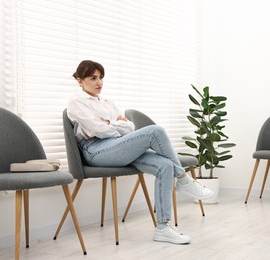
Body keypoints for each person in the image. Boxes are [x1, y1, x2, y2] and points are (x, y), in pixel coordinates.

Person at [67, 60, 213, 244]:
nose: (99, 82)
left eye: (101, 77)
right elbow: (98, 131)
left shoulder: (108, 102)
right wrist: (116, 124)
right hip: (96, 151)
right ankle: (184, 179)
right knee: (156, 131)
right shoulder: (76, 102)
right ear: (80, 81)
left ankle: (163, 228)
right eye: (93, 78)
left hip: (117, 145)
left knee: (166, 166)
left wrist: (111, 124)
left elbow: (130, 128)